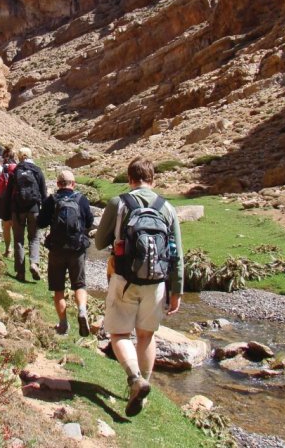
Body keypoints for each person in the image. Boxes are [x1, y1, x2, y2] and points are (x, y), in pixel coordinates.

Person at [94, 157, 183, 417]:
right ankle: (144, 388)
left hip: (124, 280)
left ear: (129, 178)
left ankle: (134, 380)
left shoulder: (118, 202)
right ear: (153, 179)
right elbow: (176, 253)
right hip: (156, 283)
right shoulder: (167, 207)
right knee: (146, 336)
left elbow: (98, 243)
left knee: (119, 334)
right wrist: (176, 290)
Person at [37, 169, 93, 336]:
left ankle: (63, 324)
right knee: (80, 284)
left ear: (57, 184)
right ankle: (82, 310)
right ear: (73, 184)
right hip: (77, 249)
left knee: (58, 289)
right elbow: (89, 222)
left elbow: (41, 222)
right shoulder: (81, 199)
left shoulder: (51, 200)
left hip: (56, 250)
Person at [0, 147, 46, 282]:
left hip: (17, 209)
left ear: (19, 157)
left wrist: (5, 213)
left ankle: (20, 273)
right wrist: (46, 214)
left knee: (19, 240)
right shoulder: (37, 171)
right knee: (34, 238)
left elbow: (8, 194)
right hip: (34, 209)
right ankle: (34, 263)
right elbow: (43, 194)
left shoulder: (15, 171)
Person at [0, 146, 18, 255]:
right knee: (16, 227)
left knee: (6, 226)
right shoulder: (19, 168)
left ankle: (8, 249)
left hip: (3, 200)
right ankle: (19, 251)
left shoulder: (1, 168)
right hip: (16, 200)